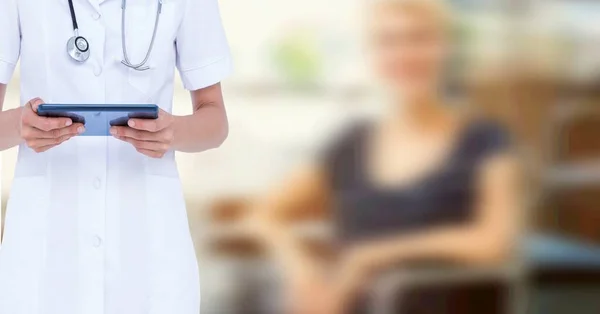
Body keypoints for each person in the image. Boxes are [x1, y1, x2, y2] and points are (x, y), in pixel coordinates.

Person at [248, 0, 520, 313]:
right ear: (374, 56)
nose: (405, 54)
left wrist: (370, 257)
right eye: (389, 41)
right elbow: (263, 215)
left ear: (444, 46)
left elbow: (495, 241)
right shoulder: (350, 145)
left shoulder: (486, 140)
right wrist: (300, 269)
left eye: (419, 38)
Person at [0, 0, 232, 313]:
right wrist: (19, 124)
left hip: (150, 251)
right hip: (44, 252)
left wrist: (173, 132)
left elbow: (215, 122)